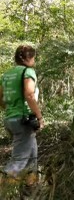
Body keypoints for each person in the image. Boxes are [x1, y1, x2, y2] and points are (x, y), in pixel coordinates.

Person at [0, 45, 44, 185]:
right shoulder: (28, 71)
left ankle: (29, 193)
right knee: (18, 162)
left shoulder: (6, 74)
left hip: (10, 119)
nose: (34, 60)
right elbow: (30, 95)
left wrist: (10, 108)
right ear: (28, 58)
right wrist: (39, 117)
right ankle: (3, 185)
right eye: (33, 57)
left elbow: (0, 96)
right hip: (22, 120)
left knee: (32, 159)